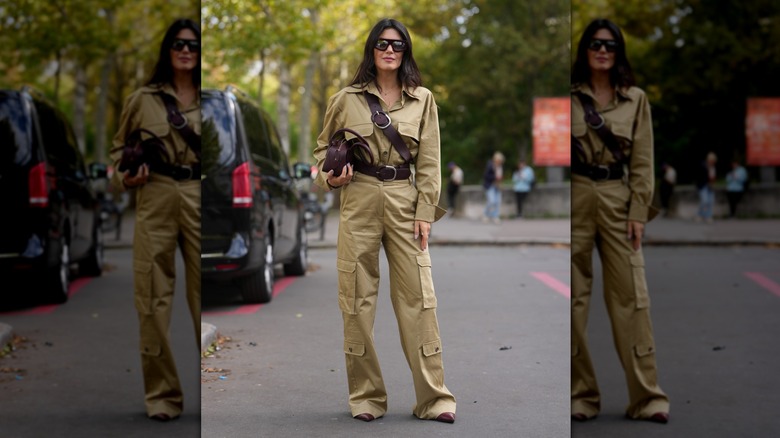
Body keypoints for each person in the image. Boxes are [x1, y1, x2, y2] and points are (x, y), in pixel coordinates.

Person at [312, 18, 456, 424]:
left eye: (397, 44)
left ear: (406, 51)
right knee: (356, 300)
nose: (389, 50)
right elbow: (322, 151)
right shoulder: (345, 98)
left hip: (404, 200)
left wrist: (426, 212)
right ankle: (367, 397)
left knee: (420, 300)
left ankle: (434, 399)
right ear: (371, 50)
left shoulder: (422, 99)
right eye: (381, 43)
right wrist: (329, 175)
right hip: (357, 199)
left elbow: (430, 161)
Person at [570, 19, 670, 424]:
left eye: (610, 44)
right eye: (595, 43)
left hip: (617, 196)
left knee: (632, 299)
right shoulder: (569, 98)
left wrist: (638, 211)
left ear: (618, 51)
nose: (602, 50)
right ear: (584, 50)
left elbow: (643, 160)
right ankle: (581, 396)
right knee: (574, 303)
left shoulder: (636, 99)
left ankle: (647, 398)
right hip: (576, 197)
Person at [110, 18, 201, 422]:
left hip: (201, 195)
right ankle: (162, 396)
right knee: (152, 297)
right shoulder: (142, 99)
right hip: (156, 195)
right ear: (168, 50)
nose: (186, 50)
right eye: (178, 44)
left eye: (193, 45)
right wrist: (125, 175)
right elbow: (117, 152)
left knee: (204, 296)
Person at [483, 151, 505, 224]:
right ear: (495, 159)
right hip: (490, 186)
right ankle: (486, 214)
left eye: (500, 161)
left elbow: (500, 177)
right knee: (491, 201)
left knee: (498, 202)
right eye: (498, 160)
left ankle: (496, 216)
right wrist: (495, 177)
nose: (499, 162)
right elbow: (486, 176)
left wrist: (500, 183)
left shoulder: (500, 167)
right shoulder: (490, 165)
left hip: (497, 186)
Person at [695, 152, 717, 223]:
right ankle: (700, 215)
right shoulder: (703, 165)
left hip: (710, 186)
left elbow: (713, 177)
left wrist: (712, 184)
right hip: (703, 186)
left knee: (710, 202)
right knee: (705, 201)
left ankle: (707, 216)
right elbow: (699, 176)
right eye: (712, 160)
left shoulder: (713, 167)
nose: (713, 162)